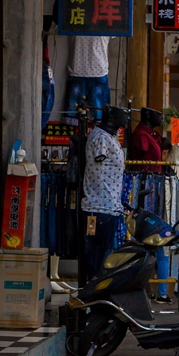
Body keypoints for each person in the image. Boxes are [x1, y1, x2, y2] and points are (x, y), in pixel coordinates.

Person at [81, 105, 128, 285]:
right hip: (99, 207)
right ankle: (92, 298)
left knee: (101, 257)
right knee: (96, 259)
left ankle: (96, 296)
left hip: (108, 207)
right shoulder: (101, 138)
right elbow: (99, 161)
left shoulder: (108, 137)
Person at [129, 108, 172, 302]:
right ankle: (142, 290)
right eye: (156, 114)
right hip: (144, 190)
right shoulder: (141, 136)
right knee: (146, 242)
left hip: (154, 190)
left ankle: (161, 292)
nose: (160, 116)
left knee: (160, 241)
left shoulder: (152, 135)